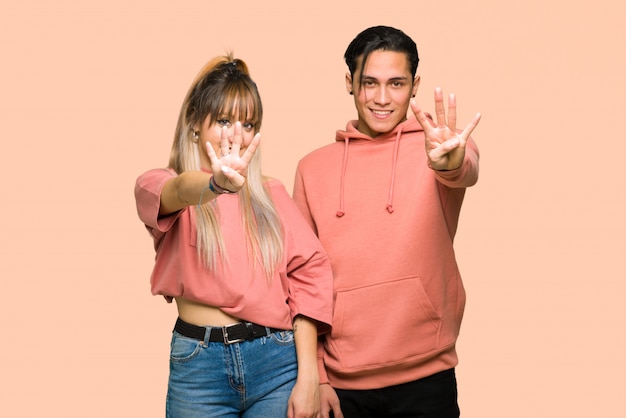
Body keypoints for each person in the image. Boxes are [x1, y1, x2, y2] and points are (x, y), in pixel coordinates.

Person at [292, 26, 481, 418]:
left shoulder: (439, 145)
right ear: (350, 82)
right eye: (369, 83)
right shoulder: (313, 169)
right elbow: (303, 278)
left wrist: (449, 159)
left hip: (428, 378)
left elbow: (461, 168)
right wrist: (320, 377)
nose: (382, 98)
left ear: (415, 85)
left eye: (396, 83)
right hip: (343, 385)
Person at [134, 54, 333, 418]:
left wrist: (309, 378)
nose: (236, 135)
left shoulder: (272, 195)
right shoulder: (160, 184)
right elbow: (178, 190)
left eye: (248, 123)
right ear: (195, 123)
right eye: (224, 120)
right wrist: (214, 184)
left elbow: (309, 278)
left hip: (277, 363)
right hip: (199, 367)